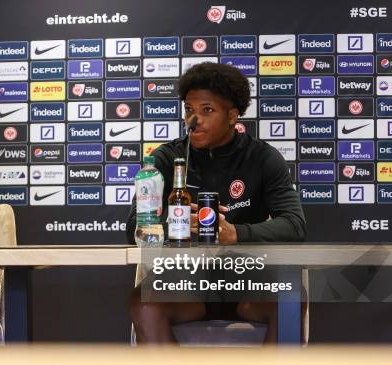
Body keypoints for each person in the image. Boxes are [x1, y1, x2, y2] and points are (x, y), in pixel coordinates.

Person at [127, 62, 307, 344]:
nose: (193, 120)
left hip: (248, 278)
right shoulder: (165, 158)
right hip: (184, 280)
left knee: (290, 296)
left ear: (232, 116)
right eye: (189, 110)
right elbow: (133, 228)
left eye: (207, 110)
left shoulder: (262, 158)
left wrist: (236, 234)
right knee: (145, 302)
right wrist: (179, 224)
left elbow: (295, 226)